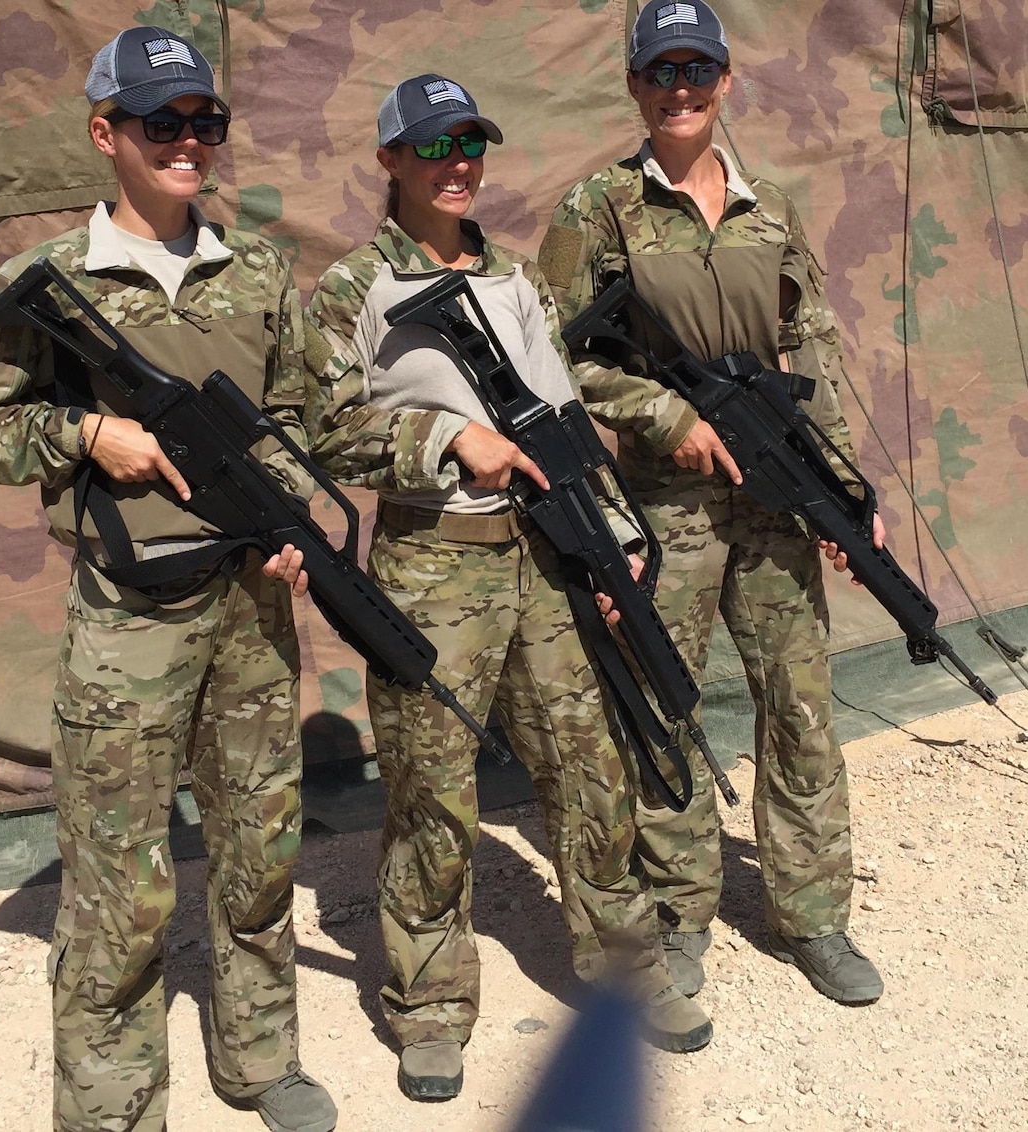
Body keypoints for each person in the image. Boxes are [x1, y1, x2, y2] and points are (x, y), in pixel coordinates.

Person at [0, 28, 336, 1132]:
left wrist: (287, 516)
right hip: (128, 621)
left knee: (260, 847)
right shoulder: (47, 282)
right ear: (106, 133)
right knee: (121, 880)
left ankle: (258, 1058)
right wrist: (82, 429)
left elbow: (300, 417)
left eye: (206, 121)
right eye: (165, 122)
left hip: (250, 607)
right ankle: (112, 1106)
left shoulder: (256, 267)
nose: (189, 141)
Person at [302, 73, 713, 1103]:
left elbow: (569, 420)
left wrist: (613, 546)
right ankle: (430, 1005)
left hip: (545, 557)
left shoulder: (519, 281)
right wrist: (445, 438)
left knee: (589, 766)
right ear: (389, 159)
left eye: (470, 145)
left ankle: (621, 963)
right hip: (430, 563)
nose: (456, 165)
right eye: (433, 146)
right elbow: (320, 427)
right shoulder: (354, 289)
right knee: (432, 791)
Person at [539, 0, 887, 1007]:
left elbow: (811, 350)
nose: (678, 90)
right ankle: (679, 909)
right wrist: (658, 413)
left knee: (799, 704)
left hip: (774, 497)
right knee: (664, 702)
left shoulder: (767, 205)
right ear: (635, 87)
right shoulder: (594, 210)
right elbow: (553, 356)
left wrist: (843, 487)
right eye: (660, 73)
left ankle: (812, 915)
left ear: (725, 81)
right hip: (668, 505)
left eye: (697, 71)